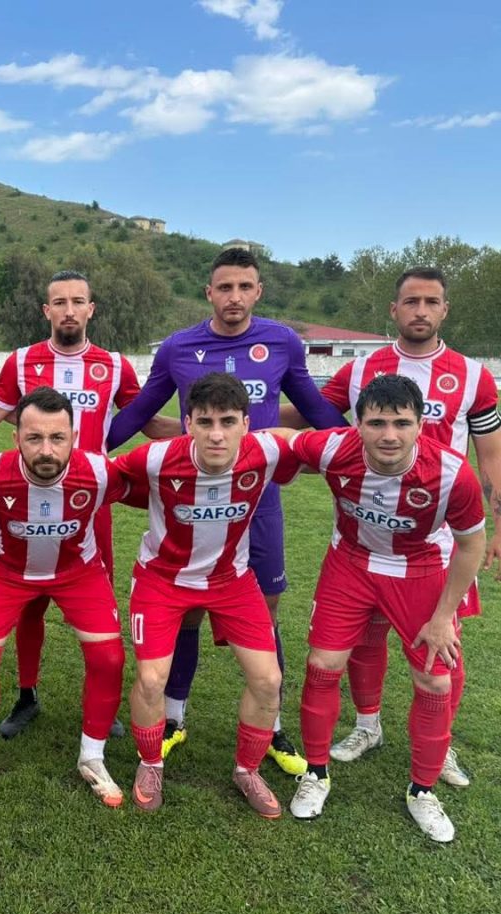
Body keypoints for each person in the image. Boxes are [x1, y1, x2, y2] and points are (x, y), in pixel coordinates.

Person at [107, 246, 347, 774]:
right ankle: (174, 716)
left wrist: (360, 449)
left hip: (257, 500)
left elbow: (312, 407)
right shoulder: (179, 347)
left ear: (258, 291)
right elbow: (142, 410)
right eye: (224, 287)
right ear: (208, 293)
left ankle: (273, 725)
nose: (234, 297)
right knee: (187, 607)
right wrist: (88, 450)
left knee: (267, 606)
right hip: (193, 493)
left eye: (244, 287)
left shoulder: (282, 341)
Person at [283, 267, 501, 785]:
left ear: (445, 309)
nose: (420, 310)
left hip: (439, 538)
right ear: (394, 309)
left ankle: (441, 745)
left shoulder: (473, 375)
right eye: (411, 301)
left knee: (442, 648)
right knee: (365, 637)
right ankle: (367, 725)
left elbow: (491, 457)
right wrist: (232, 418)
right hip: (365, 529)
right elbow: (311, 415)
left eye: (431, 301)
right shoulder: (362, 369)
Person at [0, 270, 175, 738]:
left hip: (89, 501)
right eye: (59, 302)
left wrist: (206, 432)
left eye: (78, 301)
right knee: (29, 604)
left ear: (91, 309)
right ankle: (27, 695)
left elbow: (149, 424)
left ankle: (103, 705)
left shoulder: (113, 365)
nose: (69, 310)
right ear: (47, 310)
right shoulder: (22, 362)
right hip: (30, 495)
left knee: (96, 604)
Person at [285, 375, 485, 842]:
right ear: (357, 424)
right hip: (350, 564)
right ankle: (316, 773)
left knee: (434, 679)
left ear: (420, 425)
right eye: (376, 423)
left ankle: (422, 791)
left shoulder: (451, 472)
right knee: (322, 665)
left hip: (419, 570)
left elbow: (471, 546)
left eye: (401, 423)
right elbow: (281, 441)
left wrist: (442, 618)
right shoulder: (334, 448)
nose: (389, 435)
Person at [114, 373, 300, 816]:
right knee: (151, 680)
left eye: (228, 421)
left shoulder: (268, 452)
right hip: (162, 580)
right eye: (205, 422)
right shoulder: (156, 458)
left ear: (246, 424)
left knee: (268, 681)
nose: (217, 434)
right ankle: (150, 763)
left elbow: (333, 449)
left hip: (231, 581)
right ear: (188, 423)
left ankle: (247, 770)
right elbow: (100, 477)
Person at [0, 386, 127, 807]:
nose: (46, 450)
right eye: (34, 437)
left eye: (57, 438)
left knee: (109, 658)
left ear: (75, 437)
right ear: (16, 437)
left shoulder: (100, 472)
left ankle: (92, 757)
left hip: (78, 573)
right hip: (5, 573)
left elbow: (158, 490)